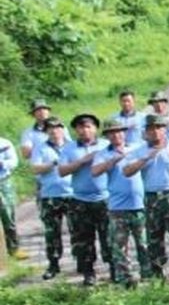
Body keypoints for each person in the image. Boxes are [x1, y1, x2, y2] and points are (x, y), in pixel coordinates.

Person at [126, 114, 169, 283]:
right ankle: (158, 278)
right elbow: (127, 171)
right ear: (145, 132)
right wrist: (146, 158)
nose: (155, 131)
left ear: (165, 129)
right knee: (154, 238)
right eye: (150, 128)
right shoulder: (140, 150)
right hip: (151, 198)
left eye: (158, 127)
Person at [92, 118, 149, 286]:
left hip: (139, 204)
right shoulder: (103, 153)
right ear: (107, 136)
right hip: (117, 207)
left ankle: (148, 275)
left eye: (119, 131)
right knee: (120, 246)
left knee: (144, 243)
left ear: (124, 133)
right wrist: (113, 161)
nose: (116, 135)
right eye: (111, 133)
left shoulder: (136, 148)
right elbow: (95, 171)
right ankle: (125, 279)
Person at [59, 114, 110, 286]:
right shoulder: (69, 148)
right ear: (76, 130)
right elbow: (62, 171)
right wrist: (82, 161)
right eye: (80, 127)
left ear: (95, 128)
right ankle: (88, 272)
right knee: (83, 240)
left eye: (88, 126)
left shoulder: (105, 145)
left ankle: (114, 269)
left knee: (109, 237)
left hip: (105, 198)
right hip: (80, 200)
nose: (84, 130)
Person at [27, 116, 72, 278]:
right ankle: (53, 264)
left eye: (57, 127)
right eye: (50, 128)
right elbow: (35, 168)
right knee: (52, 233)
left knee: (78, 231)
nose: (54, 131)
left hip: (72, 194)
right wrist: (52, 163)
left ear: (63, 129)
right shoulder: (41, 148)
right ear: (46, 131)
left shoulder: (72, 146)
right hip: (50, 195)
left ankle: (83, 263)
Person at [0, 132, 20, 261]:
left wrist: (2, 163)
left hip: (4, 182)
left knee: (8, 215)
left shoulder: (4, 143)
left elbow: (14, 162)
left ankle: (13, 249)